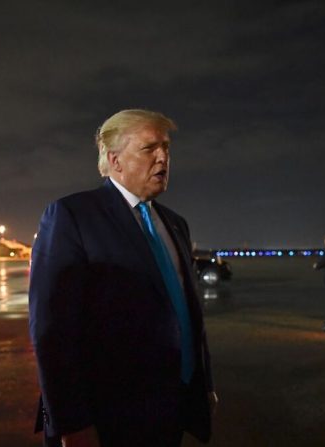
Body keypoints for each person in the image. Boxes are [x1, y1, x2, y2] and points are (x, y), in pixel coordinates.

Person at [29, 109, 217, 447]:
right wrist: (72, 424)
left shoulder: (175, 224)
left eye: (166, 148)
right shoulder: (73, 216)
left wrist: (204, 385)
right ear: (115, 160)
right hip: (109, 417)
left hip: (172, 407)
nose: (163, 157)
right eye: (149, 149)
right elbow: (52, 331)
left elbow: (186, 310)